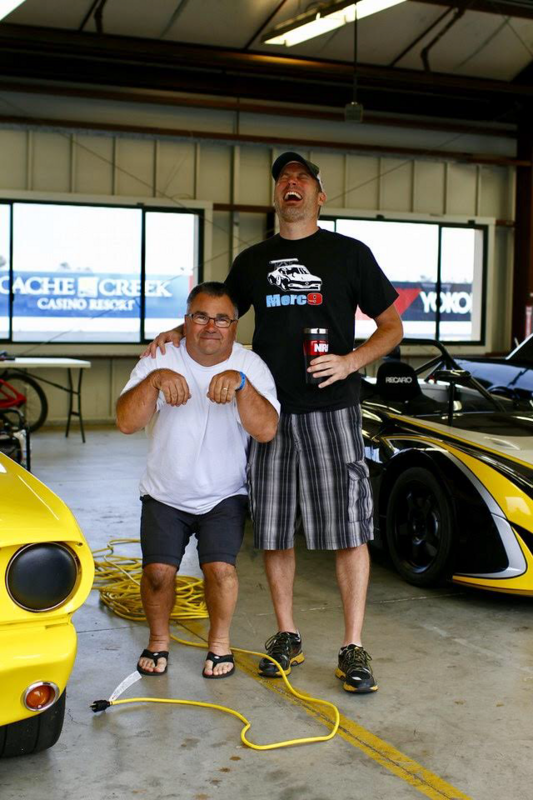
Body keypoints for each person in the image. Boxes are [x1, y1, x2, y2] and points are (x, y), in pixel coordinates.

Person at [142, 152, 403, 693]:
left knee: (348, 530)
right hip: (267, 412)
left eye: (302, 177)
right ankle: (287, 634)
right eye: (284, 178)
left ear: (319, 196)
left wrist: (351, 362)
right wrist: (176, 332)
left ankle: (353, 644)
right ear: (277, 196)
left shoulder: (350, 254)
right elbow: (217, 315)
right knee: (276, 529)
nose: (291, 183)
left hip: (332, 409)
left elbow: (391, 327)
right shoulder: (254, 260)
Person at [117, 281, 279, 678]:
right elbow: (125, 422)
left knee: (220, 571)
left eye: (222, 319)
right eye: (201, 316)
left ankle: (219, 645)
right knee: (158, 574)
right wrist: (154, 380)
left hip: (224, 493)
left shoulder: (251, 365)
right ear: (186, 321)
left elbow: (267, 430)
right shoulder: (160, 357)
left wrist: (242, 385)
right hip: (165, 491)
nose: (211, 326)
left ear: (234, 326)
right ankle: (158, 641)